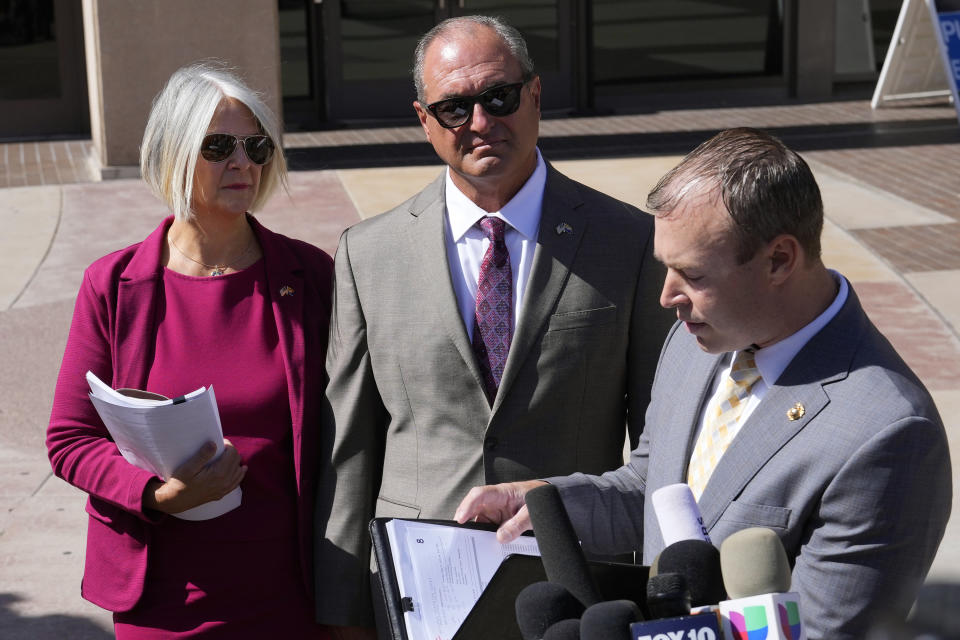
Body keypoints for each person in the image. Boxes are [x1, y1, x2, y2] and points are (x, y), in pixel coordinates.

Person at [454, 128, 952, 639]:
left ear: (779, 260)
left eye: (691, 274)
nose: (667, 296)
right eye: (665, 268)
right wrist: (546, 503)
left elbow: (825, 633)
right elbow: (656, 490)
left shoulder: (886, 434)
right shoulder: (699, 341)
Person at [314, 15, 672, 628]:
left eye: (499, 97)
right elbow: (350, 449)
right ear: (425, 121)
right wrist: (342, 606)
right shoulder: (365, 254)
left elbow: (658, 441)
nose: (480, 123)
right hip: (417, 591)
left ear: (535, 95)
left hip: (575, 582)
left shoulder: (630, 242)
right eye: (453, 107)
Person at [46, 62, 339, 638]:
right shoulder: (113, 283)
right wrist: (156, 493)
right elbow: (69, 440)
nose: (243, 162)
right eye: (218, 146)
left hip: (290, 594)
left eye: (256, 146)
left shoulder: (310, 274)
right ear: (172, 152)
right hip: (162, 596)